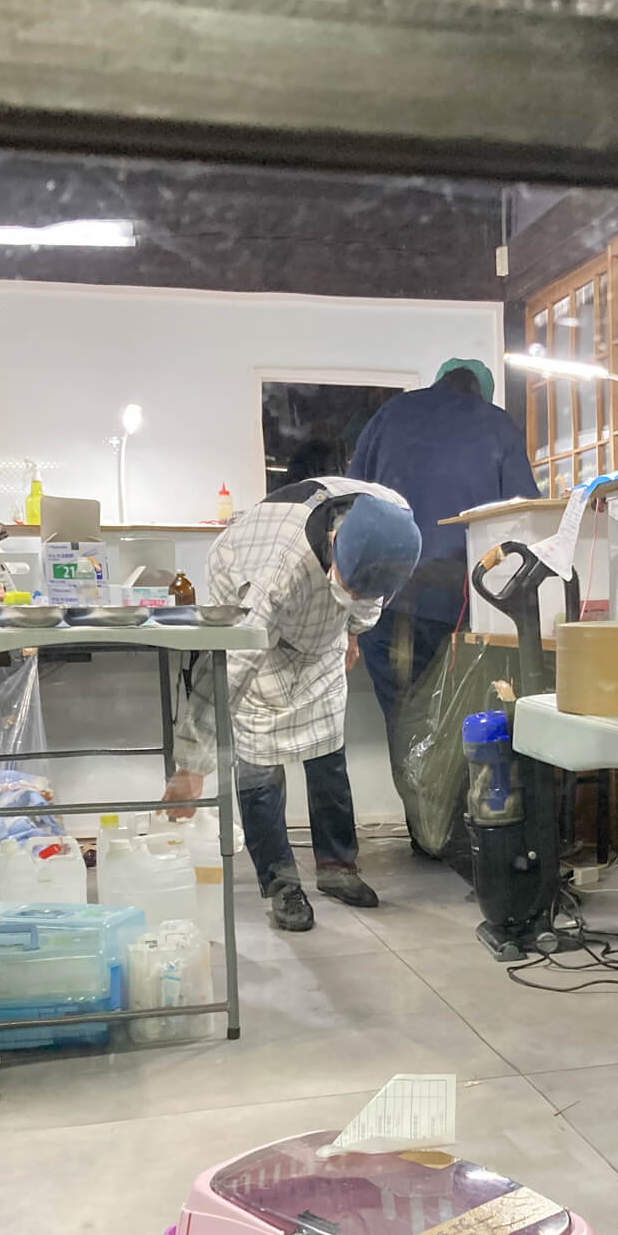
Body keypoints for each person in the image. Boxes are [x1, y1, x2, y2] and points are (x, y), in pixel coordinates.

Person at [163, 478, 421, 933]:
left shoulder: (394, 525)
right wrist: (192, 765)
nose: (356, 598)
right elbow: (231, 668)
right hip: (254, 616)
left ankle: (337, 868)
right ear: (335, 541)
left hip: (318, 634)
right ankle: (281, 884)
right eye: (350, 588)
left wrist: (352, 631)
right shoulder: (276, 572)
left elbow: (370, 596)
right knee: (259, 763)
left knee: (328, 752)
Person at [348, 358, 539, 771]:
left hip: (385, 603)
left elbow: (349, 507)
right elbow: (526, 518)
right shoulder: (497, 424)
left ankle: (418, 812)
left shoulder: (388, 415)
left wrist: (348, 612)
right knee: (461, 720)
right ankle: (459, 812)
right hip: (458, 606)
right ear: (482, 392)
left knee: (403, 723)